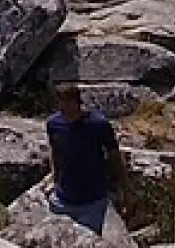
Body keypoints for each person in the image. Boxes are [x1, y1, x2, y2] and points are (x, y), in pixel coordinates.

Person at [45, 82, 126, 235]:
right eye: (60, 102)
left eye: (67, 102)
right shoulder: (54, 124)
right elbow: (55, 151)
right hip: (63, 198)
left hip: (92, 201)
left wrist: (125, 190)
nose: (63, 107)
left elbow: (115, 156)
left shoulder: (98, 124)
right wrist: (54, 180)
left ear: (77, 102)